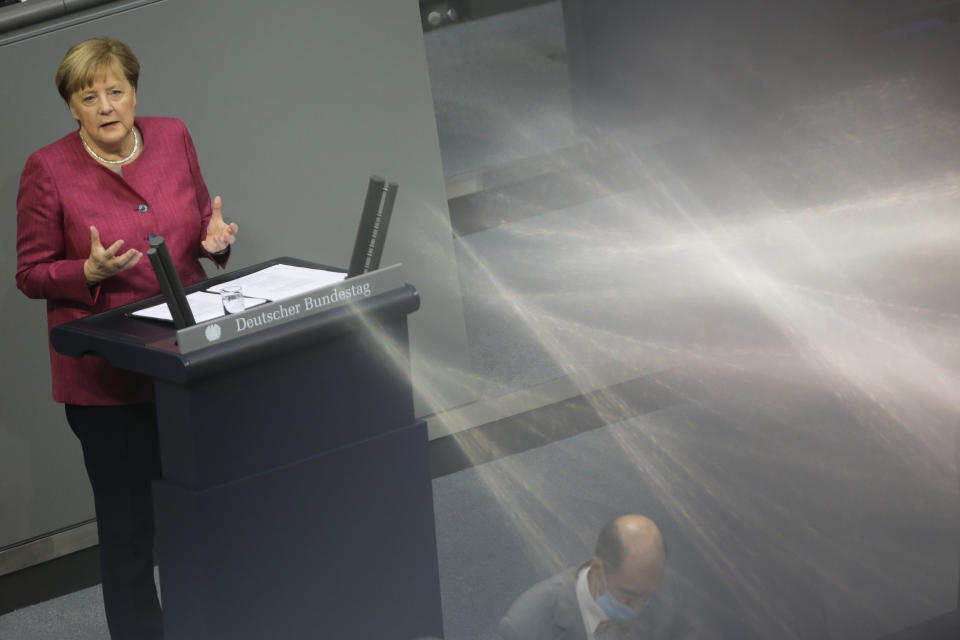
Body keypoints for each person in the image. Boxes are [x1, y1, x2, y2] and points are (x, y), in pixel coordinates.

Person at [15, 37, 238, 640]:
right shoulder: (48, 168)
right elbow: (30, 273)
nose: (107, 106)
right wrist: (84, 273)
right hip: (107, 380)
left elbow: (197, 228)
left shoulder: (172, 137)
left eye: (117, 91)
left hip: (185, 361)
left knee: (201, 513)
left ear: (134, 93)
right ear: (73, 107)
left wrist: (214, 244)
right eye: (91, 97)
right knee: (131, 531)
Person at [498, 515, 697, 640]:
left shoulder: (661, 587)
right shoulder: (525, 629)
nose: (639, 608)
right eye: (629, 595)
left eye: (648, 596)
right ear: (597, 568)